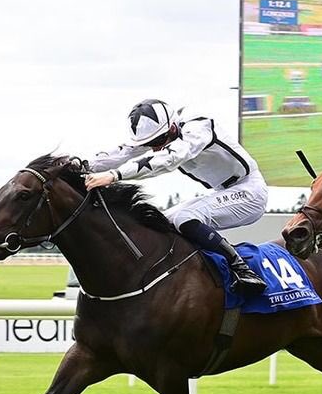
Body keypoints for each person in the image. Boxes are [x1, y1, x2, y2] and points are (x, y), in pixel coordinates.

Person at [83, 99, 268, 296]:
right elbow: (124, 152)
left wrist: (114, 176)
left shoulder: (198, 128)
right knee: (159, 222)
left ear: (172, 128)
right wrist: (81, 164)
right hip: (222, 191)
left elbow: (169, 158)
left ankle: (241, 268)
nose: (153, 148)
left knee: (184, 218)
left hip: (250, 191)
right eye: (148, 144)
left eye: (155, 143)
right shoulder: (163, 132)